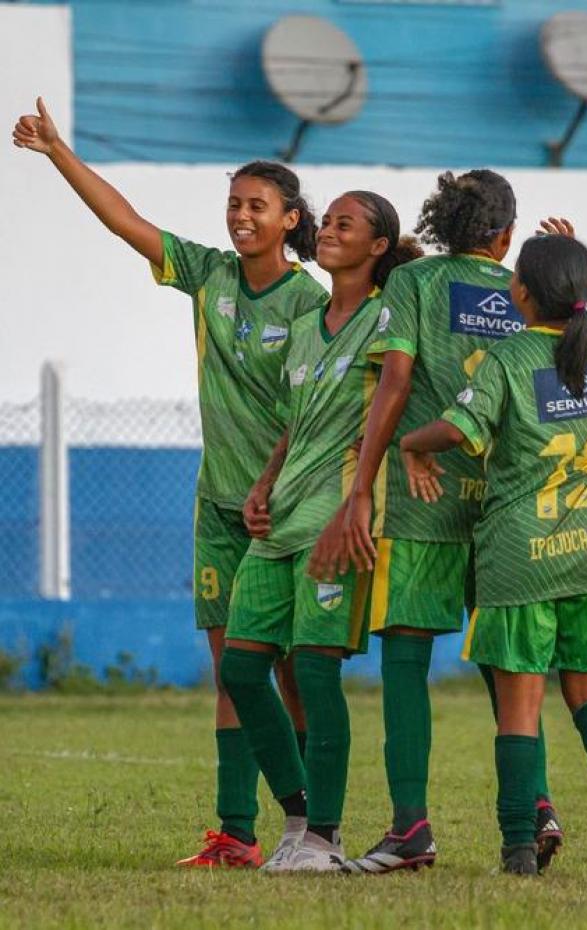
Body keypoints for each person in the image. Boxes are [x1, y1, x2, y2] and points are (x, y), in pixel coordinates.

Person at [12, 98, 327, 868]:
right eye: (234, 204)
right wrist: (57, 152)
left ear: (289, 220)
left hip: (283, 512)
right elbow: (124, 221)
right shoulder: (210, 275)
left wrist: (276, 486)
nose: (240, 216)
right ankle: (236, 833)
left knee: (290, 669)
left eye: (256, 206)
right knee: (232, 672)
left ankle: (316, 826)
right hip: (218, 507)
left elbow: (313, 410)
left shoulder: (310, 302)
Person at [313, 170, 561, 873]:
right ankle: (537, 804)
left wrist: (363, 487)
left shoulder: (414, 283)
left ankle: (411, 828)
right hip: (505, 503)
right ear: (505, 236)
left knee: (406, 658)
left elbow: (395, 381)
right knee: (507, 664)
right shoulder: (525, 290)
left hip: (423, 497)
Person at [399, 226, 587, 876]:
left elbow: (457, 429)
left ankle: (518, 848)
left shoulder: (508, 359)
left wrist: (411, 444)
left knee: (520, 709)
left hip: (522, 558)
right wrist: (584, 277)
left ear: (521, 293)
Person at [220, 191, 421, 873]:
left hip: (336, 518)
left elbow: (396, 397)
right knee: (241, 668)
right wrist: (263, 481)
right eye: (327, 221)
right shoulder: (308, 323)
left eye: (345, 224)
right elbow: (293, 419)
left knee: (313, 670)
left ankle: (324, 839)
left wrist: (359, 497)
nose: (328, 230)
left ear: (378, 246)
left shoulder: (388, 317)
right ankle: (299, 814)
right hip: (281, 516)